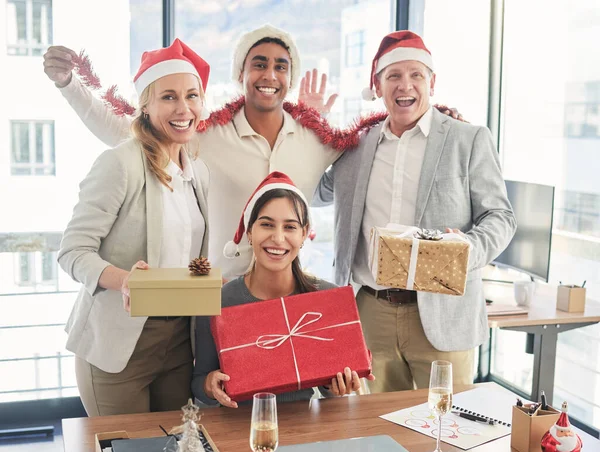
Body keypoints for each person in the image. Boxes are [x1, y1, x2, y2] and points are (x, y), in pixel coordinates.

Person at [43, 25, 460, 279]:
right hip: (216, 298)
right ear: (241, 73)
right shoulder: (205, 133)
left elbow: (375, 139)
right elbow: (124, 129)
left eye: (281, 66)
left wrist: (433, 113)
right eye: (259, 63)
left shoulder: (317, 140)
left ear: (290, 78)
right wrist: (69, 86)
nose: (270, 75)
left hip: (285, 294)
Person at [313, 31, 517, 392]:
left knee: (444, 432)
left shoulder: (468, 139)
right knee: (372, 432)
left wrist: (467, 250)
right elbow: (312, 191)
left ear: (432, 82)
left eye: (416, 75)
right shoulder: (354, 147)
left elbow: (500, 217)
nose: (404, 85)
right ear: (377, 86)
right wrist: (308, 124)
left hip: (444, 314)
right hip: (370, 312)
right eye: (393, 76)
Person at [58, 39, 211, 416]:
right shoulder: (119, 165)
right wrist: (125, 279)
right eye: (169, 97)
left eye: (192, 96)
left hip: (177, 345)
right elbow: (72, 252)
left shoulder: (198, 173)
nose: (183, 108)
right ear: (145, 105)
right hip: (116, 345)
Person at [192, 172, 375, 407]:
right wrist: (210, 384)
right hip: (238, 431)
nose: (278, 238)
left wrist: (336, 387)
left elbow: (331, 390)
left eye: (290, 227)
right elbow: (199, 383)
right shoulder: (218, 301)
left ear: (304, 234)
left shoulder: (326, 299)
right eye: (266, 224)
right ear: (249, 232)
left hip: (306, 429)